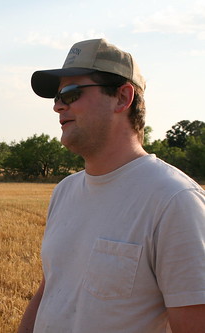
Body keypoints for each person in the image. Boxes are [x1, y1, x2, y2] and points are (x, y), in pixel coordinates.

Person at [18, 39, 205, 332]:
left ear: (122, 98)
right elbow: (48, 292)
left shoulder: (174, 200)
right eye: (57, 97)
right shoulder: (65, 191)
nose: (57, 106)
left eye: (71, 92)